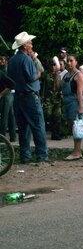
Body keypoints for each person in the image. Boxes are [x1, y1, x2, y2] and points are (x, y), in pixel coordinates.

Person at [8, 32, 48, 163]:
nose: (31, 45)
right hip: (30, 96)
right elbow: (31, 78)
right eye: (30, 43)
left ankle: (25, 156)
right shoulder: (26, 60)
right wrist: (39, 73)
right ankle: (42, 155)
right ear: (25, 46)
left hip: (18, 96)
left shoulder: (13, 60)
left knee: (23, 127)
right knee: (38, 126)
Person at [61, 54, 83, 160]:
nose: (69, 63)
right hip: (66, 102)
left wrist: (80, 107)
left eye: (71, 61)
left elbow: (80, 92)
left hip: (74, 102)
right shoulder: (66, 75)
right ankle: (75, 150)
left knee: (77, 128)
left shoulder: (78, 75)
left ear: (76, 62)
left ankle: (77, 152)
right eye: (67, 61)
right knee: (72, 127)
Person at [41, 58, 62, 140]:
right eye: (51, 65)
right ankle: (47, 130)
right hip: (48, 98)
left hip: (57, 98)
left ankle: (55, 133)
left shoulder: (59, 75)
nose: (53, 67)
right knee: (47, 114)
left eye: (54, 65)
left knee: (57, 115)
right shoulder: (45, 74)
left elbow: (59, 86)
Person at [0, 55, 16, 142]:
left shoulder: (5, 71)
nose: (0, 61)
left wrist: (1, 94)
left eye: (2, 59)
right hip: (9, 95)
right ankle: (12, 136)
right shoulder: (6, 70)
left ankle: (2, 137)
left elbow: (11, 84)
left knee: (4, 116)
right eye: (0, 59)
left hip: (6, 95)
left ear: (6, 61)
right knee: (10, 116)